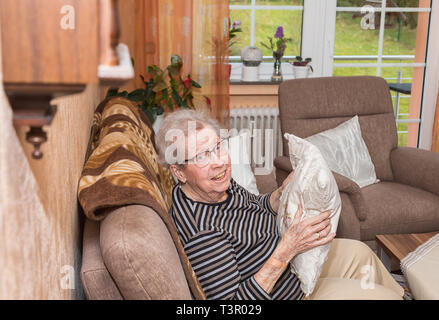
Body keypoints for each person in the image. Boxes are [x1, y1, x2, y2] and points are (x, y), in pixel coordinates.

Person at [155, 109, 404, 300]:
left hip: (292, 267)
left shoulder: (216, 187)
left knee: (360, 253)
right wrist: (287, 249)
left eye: (218, 148)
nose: (218, 162)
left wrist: (281, 193)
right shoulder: (203, 232)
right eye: (201, 156)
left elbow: (254, 205)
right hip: (287, 291)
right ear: (179, 172)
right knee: (376, 294)